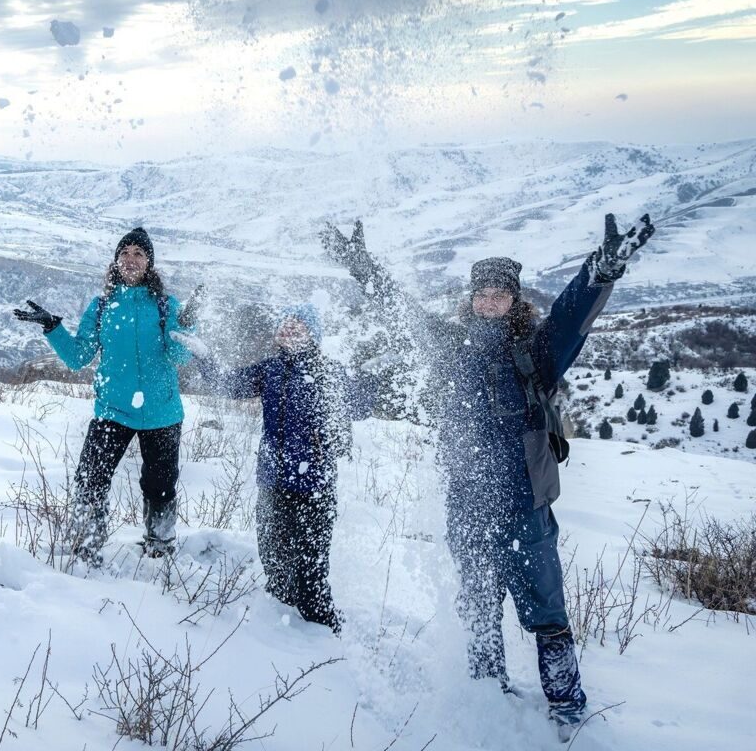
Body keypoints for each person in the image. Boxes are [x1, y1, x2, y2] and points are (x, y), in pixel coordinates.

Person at [324, 213, 655, 738]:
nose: (490, 300)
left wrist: (601, 269)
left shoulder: (536, 352)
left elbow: (573, 317)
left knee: (547, 606)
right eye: (482, 292)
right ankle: (488, 691)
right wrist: (360, 265)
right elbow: (398, 310)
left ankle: (567, 702)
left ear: (515, 298)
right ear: (471, 296)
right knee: (477, 605)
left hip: (527, 503)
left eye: (501, 292)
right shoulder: (448, 345)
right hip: (469, 501)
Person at [181, 304, 376, 633]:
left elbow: (361, 406)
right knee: (276, 567)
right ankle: (284, 637)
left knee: (311, 573)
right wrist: (205, 356)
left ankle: (323, 634)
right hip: (273, 484)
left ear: (313, 334)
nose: (289, 329)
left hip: (316, 487)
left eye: (298, 325)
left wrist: (367, 377)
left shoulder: (329, 370)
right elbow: (228, 386)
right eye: (285, 324)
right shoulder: (269, 369)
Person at [14, 228, 193, 563]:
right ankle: (85, 545)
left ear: (149, 263)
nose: (131, 259)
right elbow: (77, 357)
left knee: (161, 487)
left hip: (162, 411)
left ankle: (160, 546)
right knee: (90, 478)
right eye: (125, 252)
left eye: (139, 253)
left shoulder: (167, 306)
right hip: (113, 409)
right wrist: (52, 326)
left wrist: (187, 328)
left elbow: (179, 356)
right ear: (116, 260)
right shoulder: (102, 307)